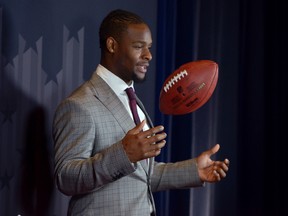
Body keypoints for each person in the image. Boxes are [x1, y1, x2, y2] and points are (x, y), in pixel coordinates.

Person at [53, 9, 229, 216]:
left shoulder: (131, 99)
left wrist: (194, 170)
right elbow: (65, 178)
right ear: (112, 45)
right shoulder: (79, 104)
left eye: (149, 48)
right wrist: (124, 154)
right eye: (139, 47)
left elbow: (142, 176)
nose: (149, 55)